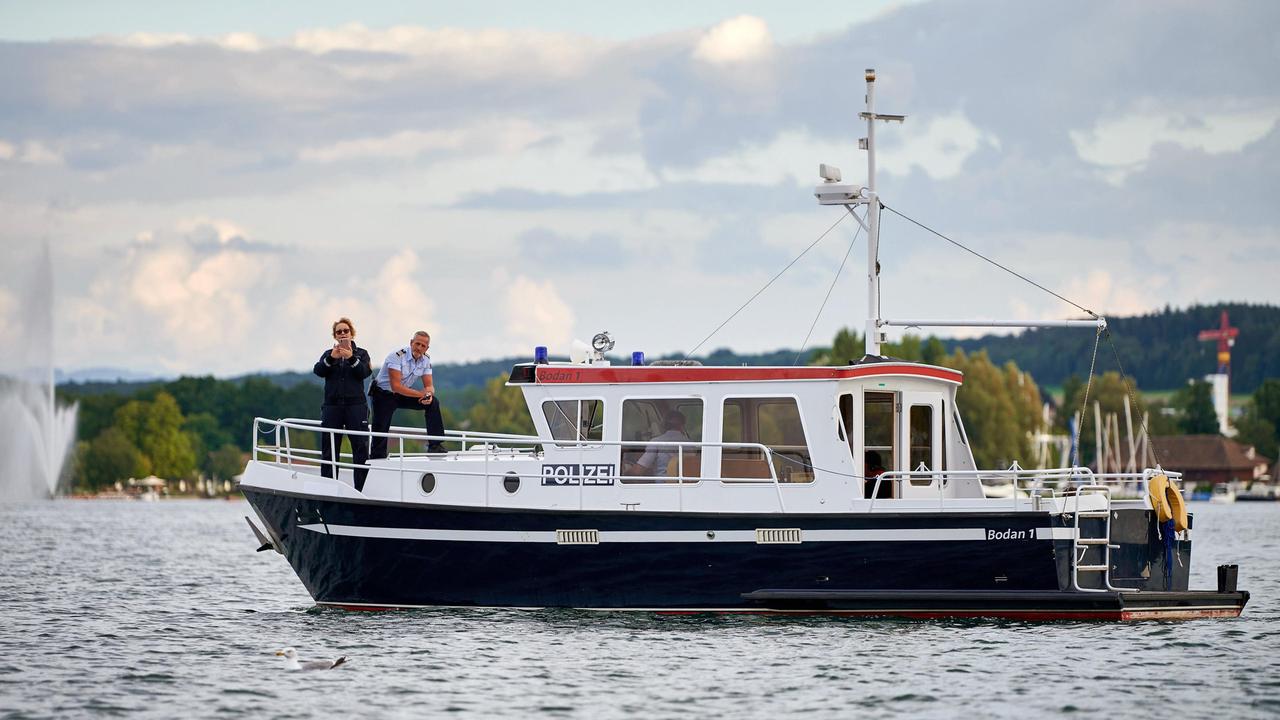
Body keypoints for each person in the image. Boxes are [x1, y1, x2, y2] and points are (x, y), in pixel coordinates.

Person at [313, 317, 372, 489]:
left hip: (356, 407)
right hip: (332, 407)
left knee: (360, 448)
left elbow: (364, 373)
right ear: (335, 335)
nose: (343, 334)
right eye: (339, 331)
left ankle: (361, 489)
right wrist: (332, 358)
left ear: (351, 333)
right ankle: (328, 487)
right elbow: (318, 370)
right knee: (329, 448)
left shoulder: (362, 353)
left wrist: (351, 357)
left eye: (345, 330)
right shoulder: (328, 354)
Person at [369, 330, 447, 460]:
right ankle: (377, 459)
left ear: (427, 348)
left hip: (404, 393)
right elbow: (396, 386)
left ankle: (435, 445)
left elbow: (429, 385)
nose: (419, 348)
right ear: (411, 342)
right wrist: (419, 394)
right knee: (380, 429)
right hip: (384, 395)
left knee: (433, 402)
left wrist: (428, 394)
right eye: (417, 344)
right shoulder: (396, 356)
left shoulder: (426, 360)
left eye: (423, 346)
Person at [631, 411, 689, 482]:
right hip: (685, 485)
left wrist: (624, 474)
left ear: (663, 425)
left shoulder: (656, 442)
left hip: (661, 487)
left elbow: (638, 471)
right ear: (682, 425)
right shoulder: (691, 444)